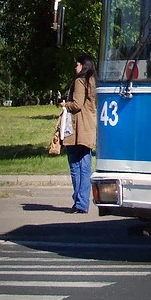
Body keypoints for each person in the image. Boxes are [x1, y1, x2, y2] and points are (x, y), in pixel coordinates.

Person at [62, 54, 97, 214]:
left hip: (78, 128)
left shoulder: (79, 80)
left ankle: (79, 202)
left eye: (76, 65)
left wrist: (64, 104)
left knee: (75, 165)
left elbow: (76, 104)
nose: (75, 68)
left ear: (83, 65)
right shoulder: (93, 80)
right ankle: (82, 203)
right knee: (86, 166)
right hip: (89, 126)